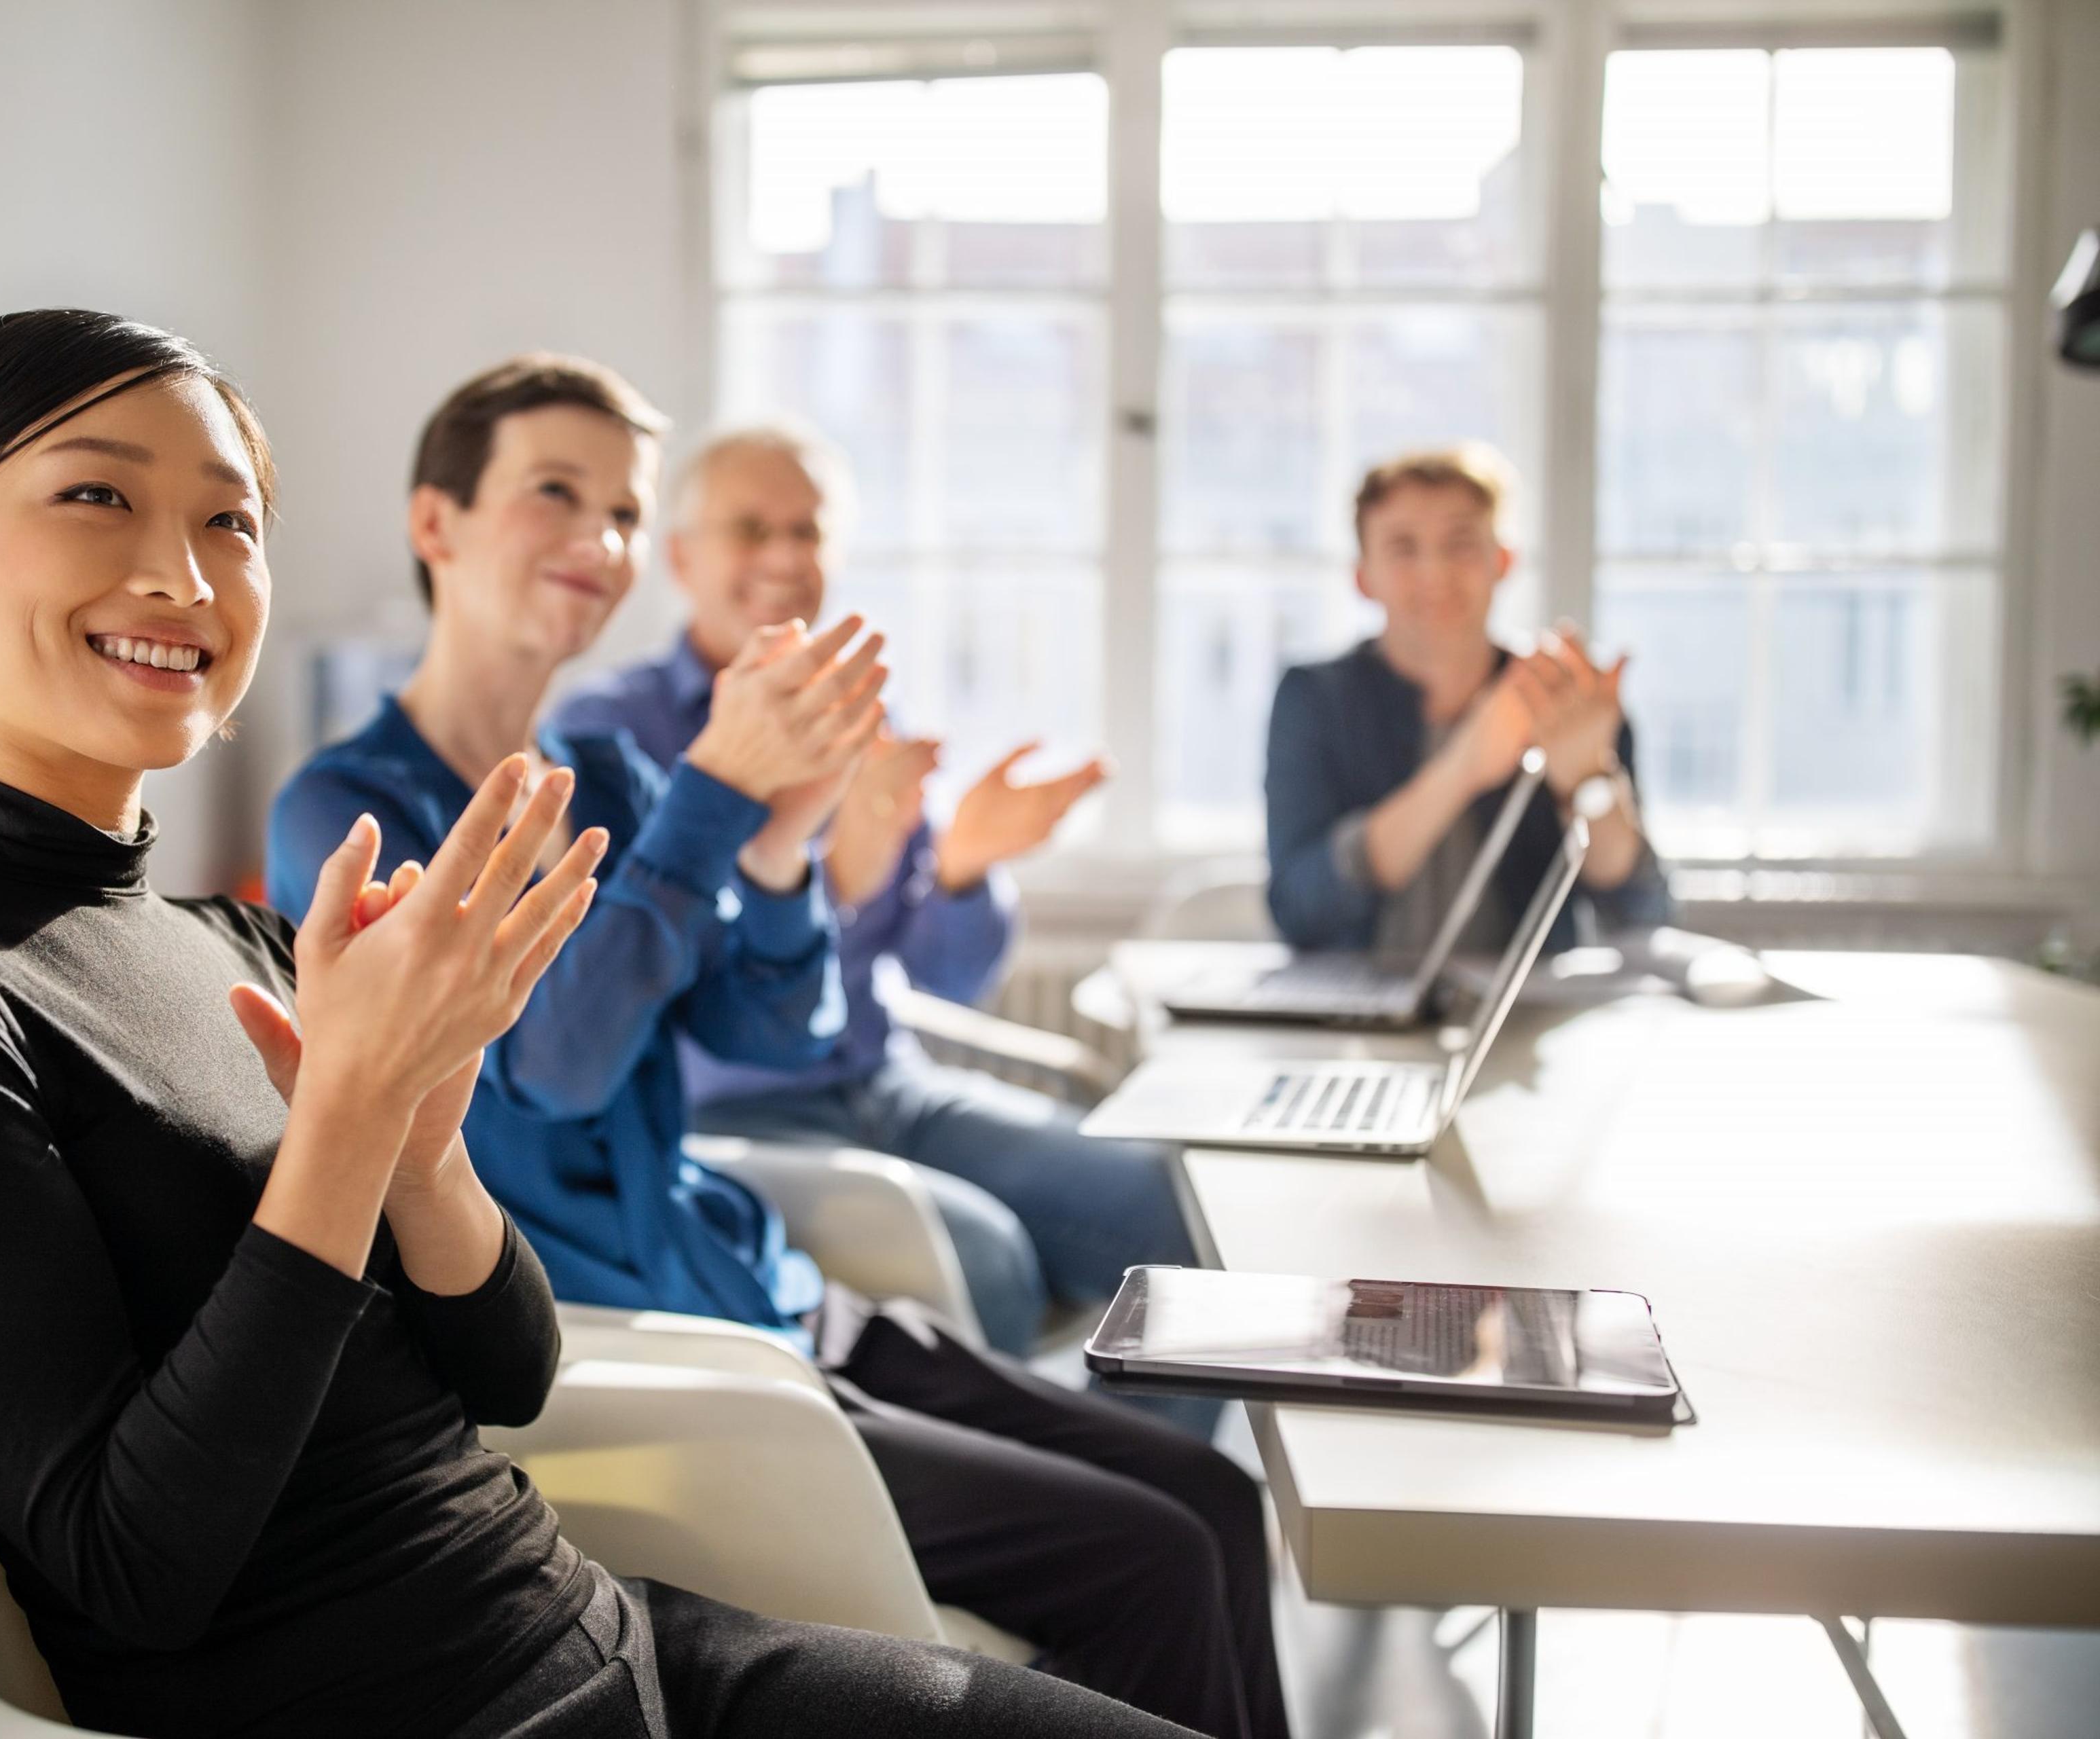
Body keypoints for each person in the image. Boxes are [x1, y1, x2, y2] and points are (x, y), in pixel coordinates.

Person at [0, 310, 1199, 1739]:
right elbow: (141, 1565)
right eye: (98, 494)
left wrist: (423, 1141)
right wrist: (347, 1118)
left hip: (614, 1631)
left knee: (1177, 1566)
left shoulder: (240, 937)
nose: (185, 571)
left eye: (233, 519)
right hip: (453, 1702)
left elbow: (511, 1370)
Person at [269, 356, 1290, 1739]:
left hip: (765, 1286)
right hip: (650, 1350)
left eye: (622, 511)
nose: (600, 540)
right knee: (1155, 1554)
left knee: (1219, 1499)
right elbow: (544, 1075)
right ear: (436, 522)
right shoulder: (354, 806)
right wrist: (714, 805)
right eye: (555, 493)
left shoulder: (617, 781)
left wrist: (788, 834)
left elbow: (774, 1023)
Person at [552, 425, 1201, 1358]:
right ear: (683, 557)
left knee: (1175, 1214)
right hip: (726, 1115)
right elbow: (636, 990)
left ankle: (1138, 1491)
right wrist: (836, 883)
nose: (784, 556)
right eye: (751, 528)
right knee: (991, 1267)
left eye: (808, 532)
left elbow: (948, 977)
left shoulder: (862, 715)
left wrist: (968, 867)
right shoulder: (606, 731)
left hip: (887, 1088)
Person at [1265, 445, 1672, 956]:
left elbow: (1642, 912)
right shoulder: (1314, 700)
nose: (1435, 573)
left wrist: (1589, 780)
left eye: (1460, 544)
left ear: (1503, 561)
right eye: (1403, 547)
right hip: (1353, 1014)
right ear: (1363, 577)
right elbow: (1300, 911)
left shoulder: (1564, 697)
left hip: (1523, 1017)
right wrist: (1465, 765)